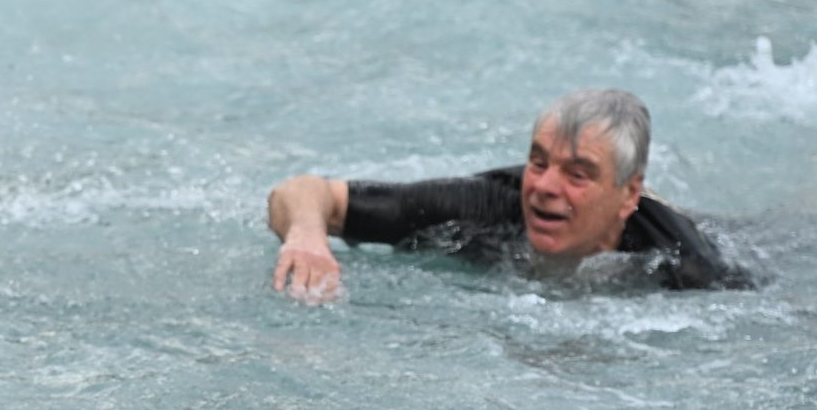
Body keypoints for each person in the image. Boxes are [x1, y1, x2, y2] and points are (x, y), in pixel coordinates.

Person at [265, 87, 744, 300]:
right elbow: (301, 191)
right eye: (538, 162)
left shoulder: (687, 266)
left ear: (628, 193)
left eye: (577, 174)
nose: (545, 188)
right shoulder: (487, 206)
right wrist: (307, 236)